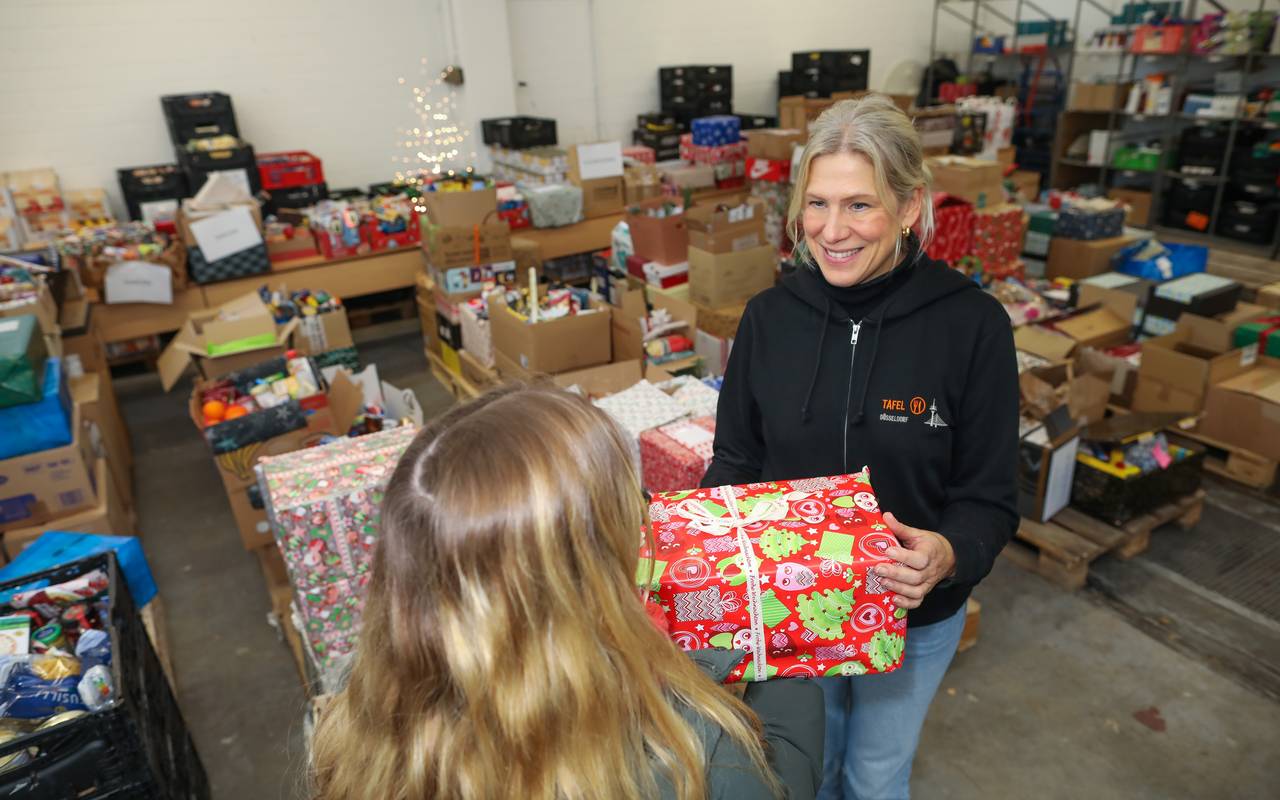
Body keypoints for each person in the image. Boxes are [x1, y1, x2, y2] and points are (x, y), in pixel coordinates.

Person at [701, 93, 1019, 799]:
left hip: (912, 618)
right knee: (802, 771)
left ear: (909, 208)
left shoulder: (972, 327)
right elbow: (735, 462)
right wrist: (706, 558)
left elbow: (990, 497)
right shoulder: (768, 319)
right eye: (816, 204)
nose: (831, 231)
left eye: (859, 206)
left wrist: (950, 553)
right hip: (790, 612)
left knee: (874, 778)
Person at [310, 384, 825, 800]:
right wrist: (781, 643)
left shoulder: (365, 714)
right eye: (632, 508)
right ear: (582, 576)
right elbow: (785, 777)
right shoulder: (695, 760)